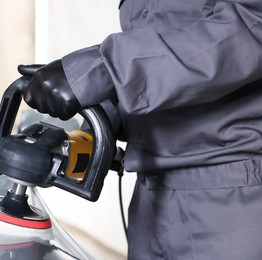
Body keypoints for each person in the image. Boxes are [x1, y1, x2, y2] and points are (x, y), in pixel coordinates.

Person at [18, 0, 262, 259]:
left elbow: (252, 24)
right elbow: (163, 66)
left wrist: (103, 70)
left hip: (229, 198)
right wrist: (99, 122)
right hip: (149, 193)